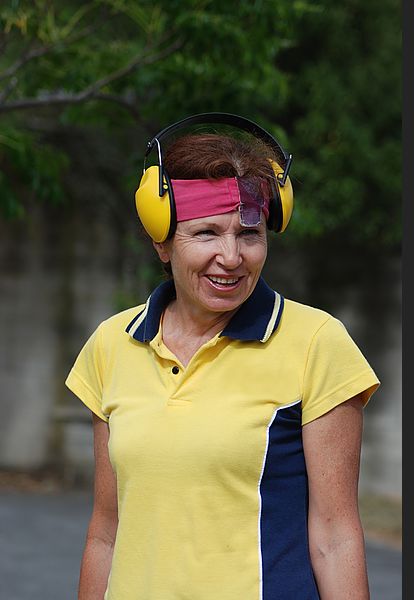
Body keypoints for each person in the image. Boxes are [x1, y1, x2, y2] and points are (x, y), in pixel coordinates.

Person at [65, 113, 380, 600]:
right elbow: (107, 532)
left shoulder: (317, 343)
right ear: (162, 242)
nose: (232, 256)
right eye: (207, 233)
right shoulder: (112, 345)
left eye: (249, 234)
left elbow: (335, 539)